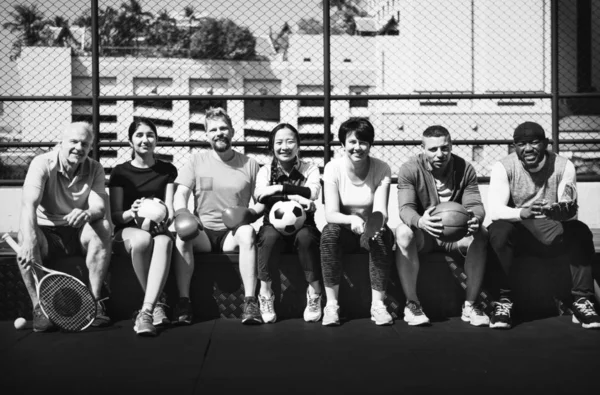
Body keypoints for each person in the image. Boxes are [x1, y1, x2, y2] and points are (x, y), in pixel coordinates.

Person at [487, 121, 600, 330]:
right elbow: (494, 210)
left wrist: (560, 212)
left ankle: (582, 301)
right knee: (498, 230)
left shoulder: (563, 165)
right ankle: (503, 302)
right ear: (515, 146)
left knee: (580, 230)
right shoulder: (504, 166)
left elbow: (570, 208)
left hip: (550, 230)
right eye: (521, 143)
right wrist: (523, 212)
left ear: (546, 143)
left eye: (534, 142)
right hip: (519, 232)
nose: (528, 148)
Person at [17, 122, 112, 332]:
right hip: (46, 232)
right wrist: (29, 240)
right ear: (60, 143)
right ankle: (39, 308)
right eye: (74, 141)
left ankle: (95, 303)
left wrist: (87, 213)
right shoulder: (41, 163)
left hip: (77, 232)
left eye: (85, 144)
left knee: (103, 227)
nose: (79, 147)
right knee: (25, 235)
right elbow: (28, 205)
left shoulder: (95, 167)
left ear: (90, 148)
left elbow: (99, 207)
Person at [171, 107, 263, 325]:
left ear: (232, 131)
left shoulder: (250, 164)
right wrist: (183, 213)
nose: (219, 133)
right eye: (213, 129)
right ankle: (184, 302)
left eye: (223, 128)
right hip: (203, 232)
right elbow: (180, 194)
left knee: (248, 233)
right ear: (206, 135)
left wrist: (248, 213)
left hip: (232, 233)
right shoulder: (196, 161)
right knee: (181, 235)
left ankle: (250, 302)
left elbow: (262, 204)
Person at [395, 125, 489, 327]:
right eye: (433, 149)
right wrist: (420, 221)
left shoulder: (465, 168)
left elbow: (475, 205)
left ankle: (471, 304)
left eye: (444, 148)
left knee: (481, 232)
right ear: (423, 148)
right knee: (403, 233)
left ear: (451, 146)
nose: (440, 154)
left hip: (455, 236)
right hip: (425, 235)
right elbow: (405, 209)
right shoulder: (410, 169)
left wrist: (475, 218)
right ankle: (412, 304)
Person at [320, 117, 395, 326]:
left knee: (383, 235)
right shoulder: (332, 168)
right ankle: (331, 305)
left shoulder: (382, 169)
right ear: (343, 144)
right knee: (329, 233)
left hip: (370, 229)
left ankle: (378, 305)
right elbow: (331, 214)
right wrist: (352, 219)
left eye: (363, 142)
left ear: (370, 144)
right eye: (352, 142)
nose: (358, 147)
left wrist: (373, 226)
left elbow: (381, 211)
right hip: (344, 229)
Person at [109, 119, 177, 336]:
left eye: (150, 135)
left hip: (156, 231)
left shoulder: (167, 170)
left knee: (165, 241)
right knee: (142, 240)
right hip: (127, 234)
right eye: (139, 135)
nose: (145, 140)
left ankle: (146, 310)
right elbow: (116, 216)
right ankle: (156, 305)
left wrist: (164, 222)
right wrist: (133, 211)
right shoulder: (120, 172)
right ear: (130, 141)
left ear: (156, 140)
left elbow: (170, 208)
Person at [254, 123, 322, 323]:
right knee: (268, 238)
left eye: (290, 141)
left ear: (298, 145)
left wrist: (277, 189)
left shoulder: (310, 168)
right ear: (271, 146)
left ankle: (315, 292)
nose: (285, 147)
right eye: (279, 142)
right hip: (272, 225)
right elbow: (259, 195)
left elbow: (313, 192)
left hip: (304, 225)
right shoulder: (265, 170)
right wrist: (295, 196)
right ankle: (265, 293)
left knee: (306, 238)